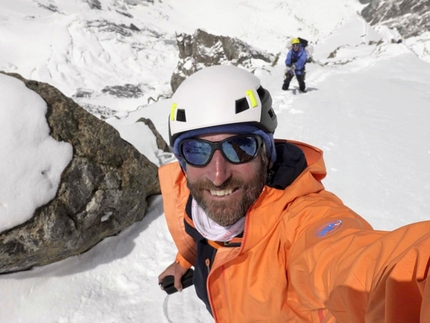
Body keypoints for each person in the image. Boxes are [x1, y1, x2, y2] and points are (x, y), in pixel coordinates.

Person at [158, 64, 430, 323]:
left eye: (240, 147)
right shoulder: (194, 204)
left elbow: (363, 269)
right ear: (182, 161)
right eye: (196, 150)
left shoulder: (300, 222)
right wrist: (183, 261)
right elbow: (199, 232)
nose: (218, 175)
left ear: (267, 152)